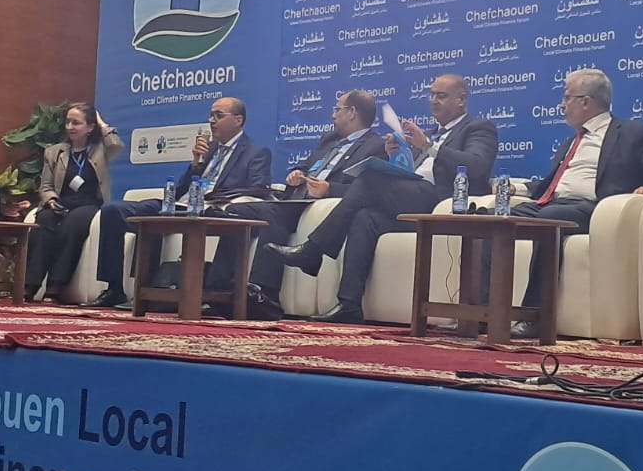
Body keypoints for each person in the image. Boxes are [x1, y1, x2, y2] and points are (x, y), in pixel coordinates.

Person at [266, 73, 497, 322]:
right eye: (431, 95)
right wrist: (393, 155)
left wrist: (429, 146)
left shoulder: (477, 128)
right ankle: (349, 304)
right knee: (365, 218)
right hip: (413, 202)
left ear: (461, 99)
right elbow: (410, 173)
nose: (433, 101)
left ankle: (313, 250)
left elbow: (477, 165)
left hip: (441, 203)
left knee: (369, 179)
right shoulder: (428, 135)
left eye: (441, 96)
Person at [499, 68, 643, 338]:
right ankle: (484, 312)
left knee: (550, 219)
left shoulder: (631, 133)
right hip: (551, 203)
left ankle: (534, 317)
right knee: (496, 220)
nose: (562, 105)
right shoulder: (572, 141)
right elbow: (553, 183)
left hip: (593, 209)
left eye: (566, 98)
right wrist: (519, 188)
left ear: (585, 101)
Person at [211, 89, 390, 317]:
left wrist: (329, 189)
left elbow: (368, 190)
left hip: (322, 206)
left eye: (337, 109)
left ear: (352, 112)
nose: (333, 115)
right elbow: (306, 166)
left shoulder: (376, 146)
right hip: (296, 198)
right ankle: (218, 289)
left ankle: (264, 295)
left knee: (272, 215)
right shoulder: (330, 139)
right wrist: (297, 173)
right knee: (235, 211)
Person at [88, 96, 272, 308]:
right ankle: (114, 289)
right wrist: (195, 163)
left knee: (156, 220)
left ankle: (150, 293)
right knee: (113, 211)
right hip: (184, 205)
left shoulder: (256, 153)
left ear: (238, 120)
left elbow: (258, 190)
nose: (211, 121)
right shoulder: (209, 149)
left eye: (218, 116)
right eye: (210, 115)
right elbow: (181, 190)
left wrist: (219, 198)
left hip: (214, 210)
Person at [25, 103, 123, 303]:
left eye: (76, 123)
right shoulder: (54, 152)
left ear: (90, 127)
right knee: (43, 221)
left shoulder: (101, 150)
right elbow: (46, 186)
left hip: (88, 205)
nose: (70, 127)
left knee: (71, 225)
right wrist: (51, 201)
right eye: (68, 122)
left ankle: (56, 285)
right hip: (60, 203)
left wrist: (102, 123)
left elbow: (116, 145)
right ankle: (30, 285)